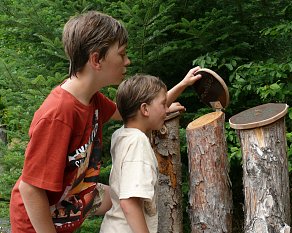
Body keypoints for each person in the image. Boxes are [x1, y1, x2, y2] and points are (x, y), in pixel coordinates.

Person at [9, 10, 201, 233]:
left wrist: (168, 101)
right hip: (35, 224)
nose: (127, 61)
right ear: (96, 59)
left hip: (67, 204)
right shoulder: (59, 114)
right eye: (121, 54)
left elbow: (132, 112)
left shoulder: (93, 99)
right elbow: (30, 189)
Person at [99, 75, 168, 233]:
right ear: (144, 109)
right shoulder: (138, 142)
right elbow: (129, 203)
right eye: (163, 104)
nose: (166, 109)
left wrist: (162, 113)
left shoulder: (122, 134)